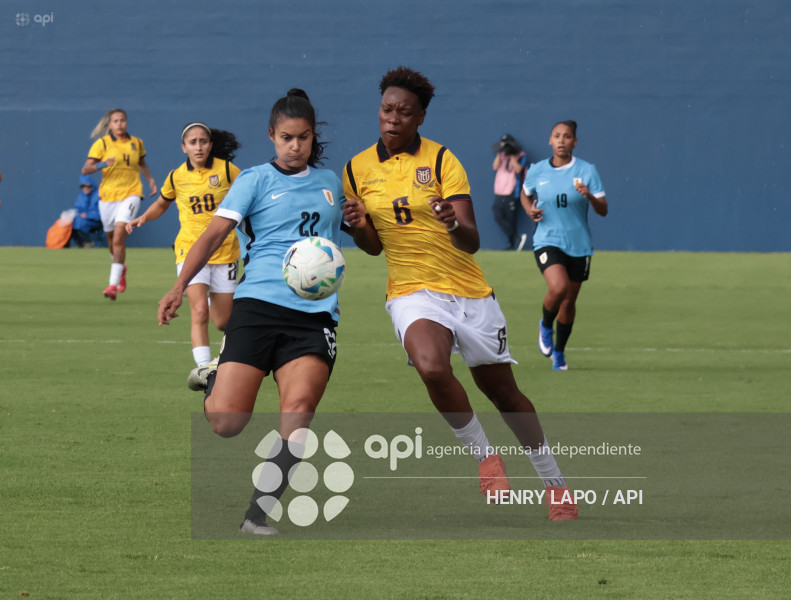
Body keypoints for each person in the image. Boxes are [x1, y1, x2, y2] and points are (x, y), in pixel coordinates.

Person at [342, 66, 577, 520]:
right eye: (387, 109)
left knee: (504, 395)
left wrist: (451, 221)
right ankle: (487, 461)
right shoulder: (356, 169)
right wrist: (357, 227)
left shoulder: (443, 160)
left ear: (421, 118)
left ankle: (555, 484)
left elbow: (471, 240)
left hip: (469, 292)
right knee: (431, 367)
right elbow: (373, 248)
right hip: (411, 290)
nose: (393, 118)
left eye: (404, 112)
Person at [157, 89, 346, 535]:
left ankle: (256, 515)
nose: (294, 146)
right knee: (226, 422)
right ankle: (214, 376)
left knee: (298, 412)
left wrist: (357, 218)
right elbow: (211, 235)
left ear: (312, 136)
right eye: (286, 137)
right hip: (258, 306)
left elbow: (341, 241)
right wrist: (180, 285)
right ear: (272, 136)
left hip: (314, 315)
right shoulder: (255, 180)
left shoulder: (332, 184)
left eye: (302, 138)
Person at [126, 123, 242, 371]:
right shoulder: (176, 176)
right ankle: (203, 370)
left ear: (210, 145)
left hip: (225, 251)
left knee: (223, 322)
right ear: (184, 147)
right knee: (199, 311)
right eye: (193, 142)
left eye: (203, 141)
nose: (198, 147)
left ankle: (223, 352)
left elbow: (249, 197)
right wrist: (143, 217)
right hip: (189, 250)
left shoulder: (228, 171)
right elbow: (161, 203)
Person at [520, 120, 608, 371]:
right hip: (547, 240)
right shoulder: (537, 170)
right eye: (556, 136)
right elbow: (525, 193)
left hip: (579, 245)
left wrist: (589, 195)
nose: (561, 140)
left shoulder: (587, 170)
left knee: (569, 303)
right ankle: (546, 326)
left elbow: (603, 210)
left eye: (567, 136)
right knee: (558, 289)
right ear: (550, 140)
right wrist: (529, 210)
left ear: (574, 142)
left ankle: (559, 353)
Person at [81, 109, 157, 301]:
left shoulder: (136, 143)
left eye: (123, 120)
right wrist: (103, 164)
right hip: (108, 196)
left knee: (119, 237)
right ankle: (120, 267)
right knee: (110, 239)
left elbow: (142, 164)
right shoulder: (102, 143)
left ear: (127, 122)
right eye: (116, 121)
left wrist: (150, 180)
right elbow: (86, 169)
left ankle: (112, 285)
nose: (120, 124)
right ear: (110, 125)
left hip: (131, 193)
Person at [492, 134, 528, 250]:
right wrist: (499, 152)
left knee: (511, 219)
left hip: (512, 192)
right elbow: (495, 167)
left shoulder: (521, 155)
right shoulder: (501, 155)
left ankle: (512, 244)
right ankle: (516, 237)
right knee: (498, 214)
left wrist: (512, 156)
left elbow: (518, 169)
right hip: (499, 191)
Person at [70, 175, 103, 248]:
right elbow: (77, 209)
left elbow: (100, 213)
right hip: (83, 220)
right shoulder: (81, 196)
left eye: (87, 186)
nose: (85, 188)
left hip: (95, 222)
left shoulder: (98, 195)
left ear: (92, 186)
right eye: (83, 187)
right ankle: (82, 244)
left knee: (79, 223)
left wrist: (87, 215)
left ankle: (88, 243)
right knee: (71, 223)